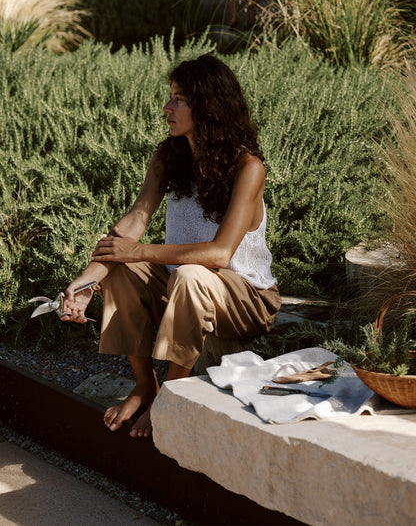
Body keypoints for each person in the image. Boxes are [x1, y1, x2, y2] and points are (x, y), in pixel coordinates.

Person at [62, 54, 281, 438]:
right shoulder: (170, 155)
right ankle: (146, 388)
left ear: (208, 106)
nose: (167, 107)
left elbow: (219, 255)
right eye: (170, 97)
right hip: (181, 283)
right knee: (124, 269)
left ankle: (173, 394)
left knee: (190, 275)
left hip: (245, 295)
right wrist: (85, 282)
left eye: (178, 99)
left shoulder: (248, 167)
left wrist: (141, 251)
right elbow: (135, 221)